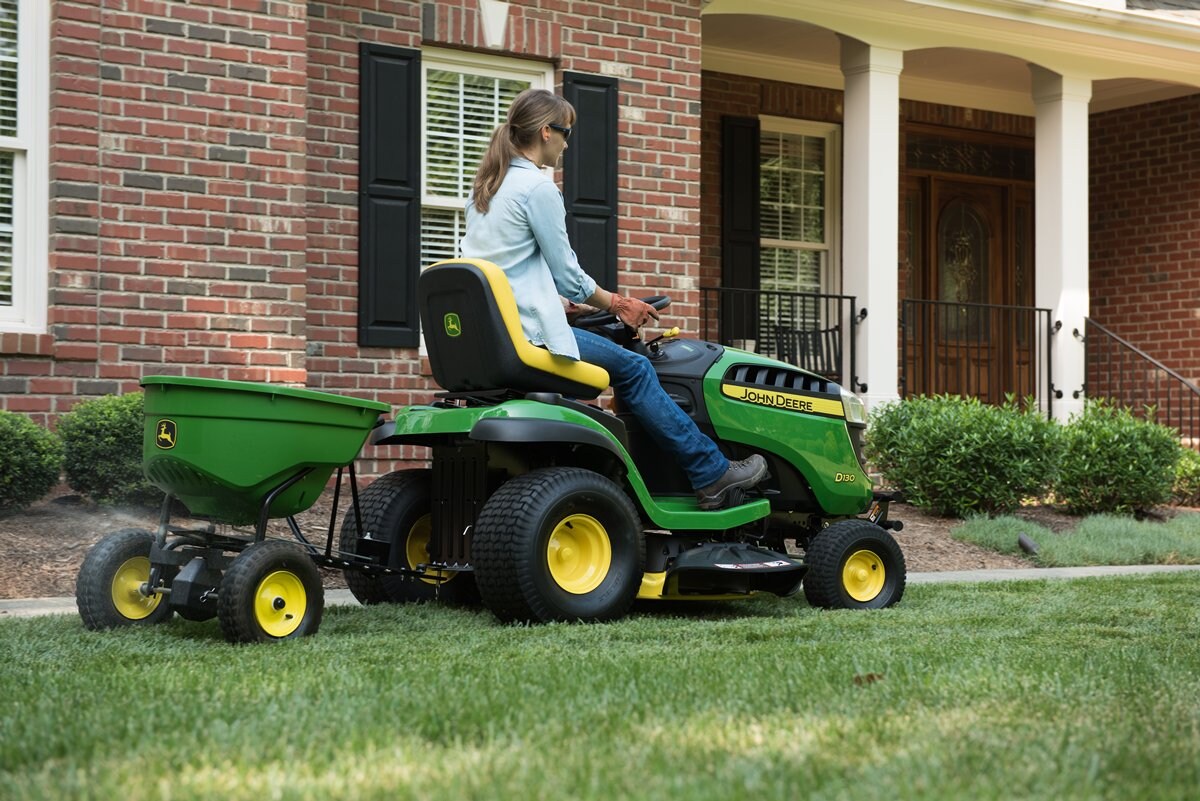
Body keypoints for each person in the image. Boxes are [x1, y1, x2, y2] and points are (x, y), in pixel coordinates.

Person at [459, 88, 766, 510]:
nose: (567, 144)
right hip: (526, 338)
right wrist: (620, 305)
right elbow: (568, 276)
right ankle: (712, 473)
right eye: (565, 134)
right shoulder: (536, 189)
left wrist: (563, 305)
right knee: (636, 369)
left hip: (493, 337)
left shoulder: (486, 190)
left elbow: (501, 274)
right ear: (546, 131)